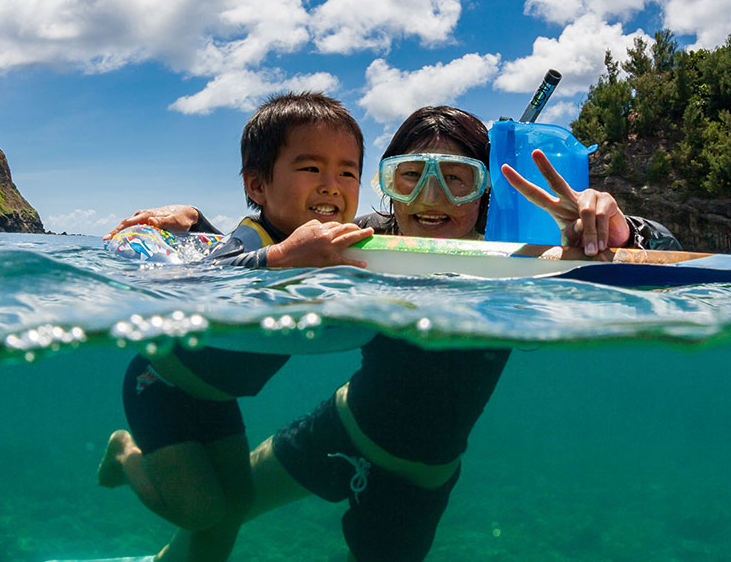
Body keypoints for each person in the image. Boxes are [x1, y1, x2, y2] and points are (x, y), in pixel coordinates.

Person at [121, 105, 679, 562]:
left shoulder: (513, 257)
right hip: (334, 426)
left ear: (485, 192)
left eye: (457, 179)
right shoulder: (362, 240)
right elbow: (271, 244)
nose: (431, 197)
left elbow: (661, 258)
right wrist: (196, 221)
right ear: (388, 186)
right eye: (411, 176)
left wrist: (618, 230)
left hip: (414, 486)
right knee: (213, 518)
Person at [96, 92, 373, 561]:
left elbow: (213, 244)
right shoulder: (260, 239)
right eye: (311, 168)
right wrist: (282, 258)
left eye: (347, 172)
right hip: (162, 385)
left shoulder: (324, 247)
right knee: (201, 513)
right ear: (257, 185)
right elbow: (206, 275)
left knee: (236, 508)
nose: (331, 185)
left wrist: (197, 217)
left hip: (217, 398)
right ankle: (126, 454)